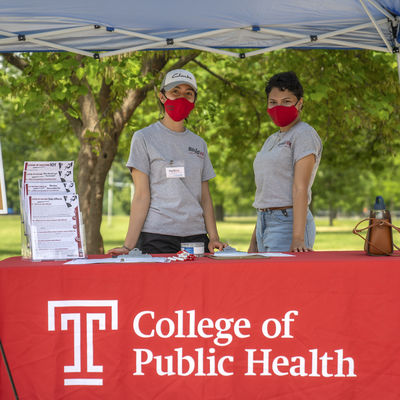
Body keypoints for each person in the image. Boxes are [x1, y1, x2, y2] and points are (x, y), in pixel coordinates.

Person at [108, 69, 226, 255]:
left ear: (194, 101)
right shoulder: (144, 138)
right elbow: (141, 196)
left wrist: (213, 237)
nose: (181, 98)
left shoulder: (199, 144)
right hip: (157, 236)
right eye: (175, 92)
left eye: (188, 93)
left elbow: (205, 197)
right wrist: (128, 246)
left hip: (196, 236)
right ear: (162, 97)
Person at [248, 71, 322, 253]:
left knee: (282, 281)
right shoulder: (271, 140)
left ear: (300, 103)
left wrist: (297, 238)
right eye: (273, 102)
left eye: (286, 101)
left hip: (288, 223)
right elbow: (266, 192)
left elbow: (300, 188)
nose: (278, 106)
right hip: (263, 221)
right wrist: (254, 241)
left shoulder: (304, 134)